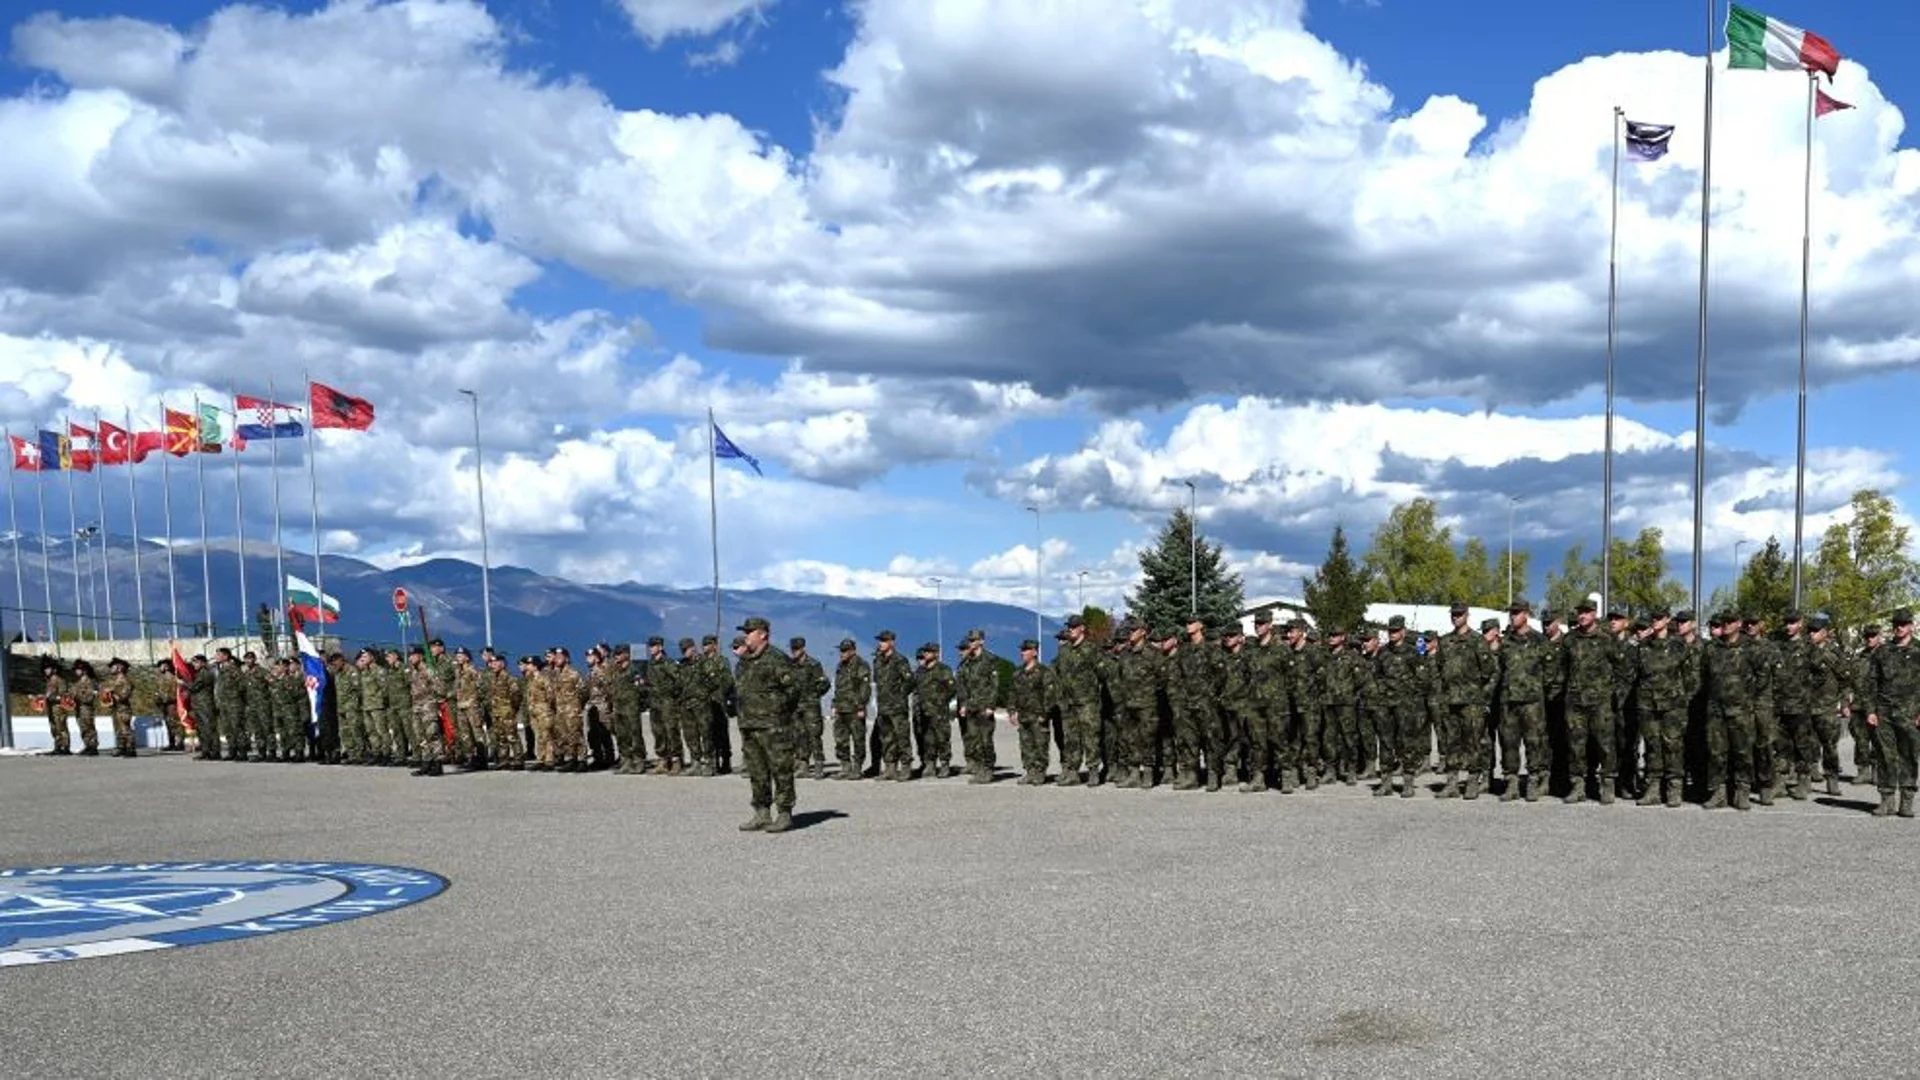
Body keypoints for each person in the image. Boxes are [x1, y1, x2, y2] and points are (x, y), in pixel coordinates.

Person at [733, 617, 799, 833]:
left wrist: (777, 711)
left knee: (781, 769)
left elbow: (793, 689)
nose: (746, 635)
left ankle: (784, 813)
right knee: (757, 771)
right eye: (745, 632)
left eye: (750, 631)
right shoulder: (744, 661)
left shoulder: (777, 659)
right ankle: (761, 812)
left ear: (763, 634)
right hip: (749, 724)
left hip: (773, 725)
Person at [830, 637, 871, 780]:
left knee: (858, 739)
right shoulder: (840, 666)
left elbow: (865, 688)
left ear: (853, 651)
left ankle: (857, 768)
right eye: (841, 651)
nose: (842, 653)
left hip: (854, 709)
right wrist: (834, 705)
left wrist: (861, 706)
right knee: (840, 739)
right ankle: (845, 767)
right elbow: (838, 688)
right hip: (841, 708)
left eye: (845, 650)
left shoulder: (861, 665)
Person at [69, 659, 101, 757]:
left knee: (89, 727)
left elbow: (90, 697)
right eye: (76, 669)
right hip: (79, 708)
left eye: (78, 669)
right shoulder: (77, 683)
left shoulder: (89, 682)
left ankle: (93, 746)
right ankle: (87, 745)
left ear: (84, 670)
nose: (76, 671)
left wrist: (76, 696)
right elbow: (72, 694)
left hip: (86, 708)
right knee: (82, 727)